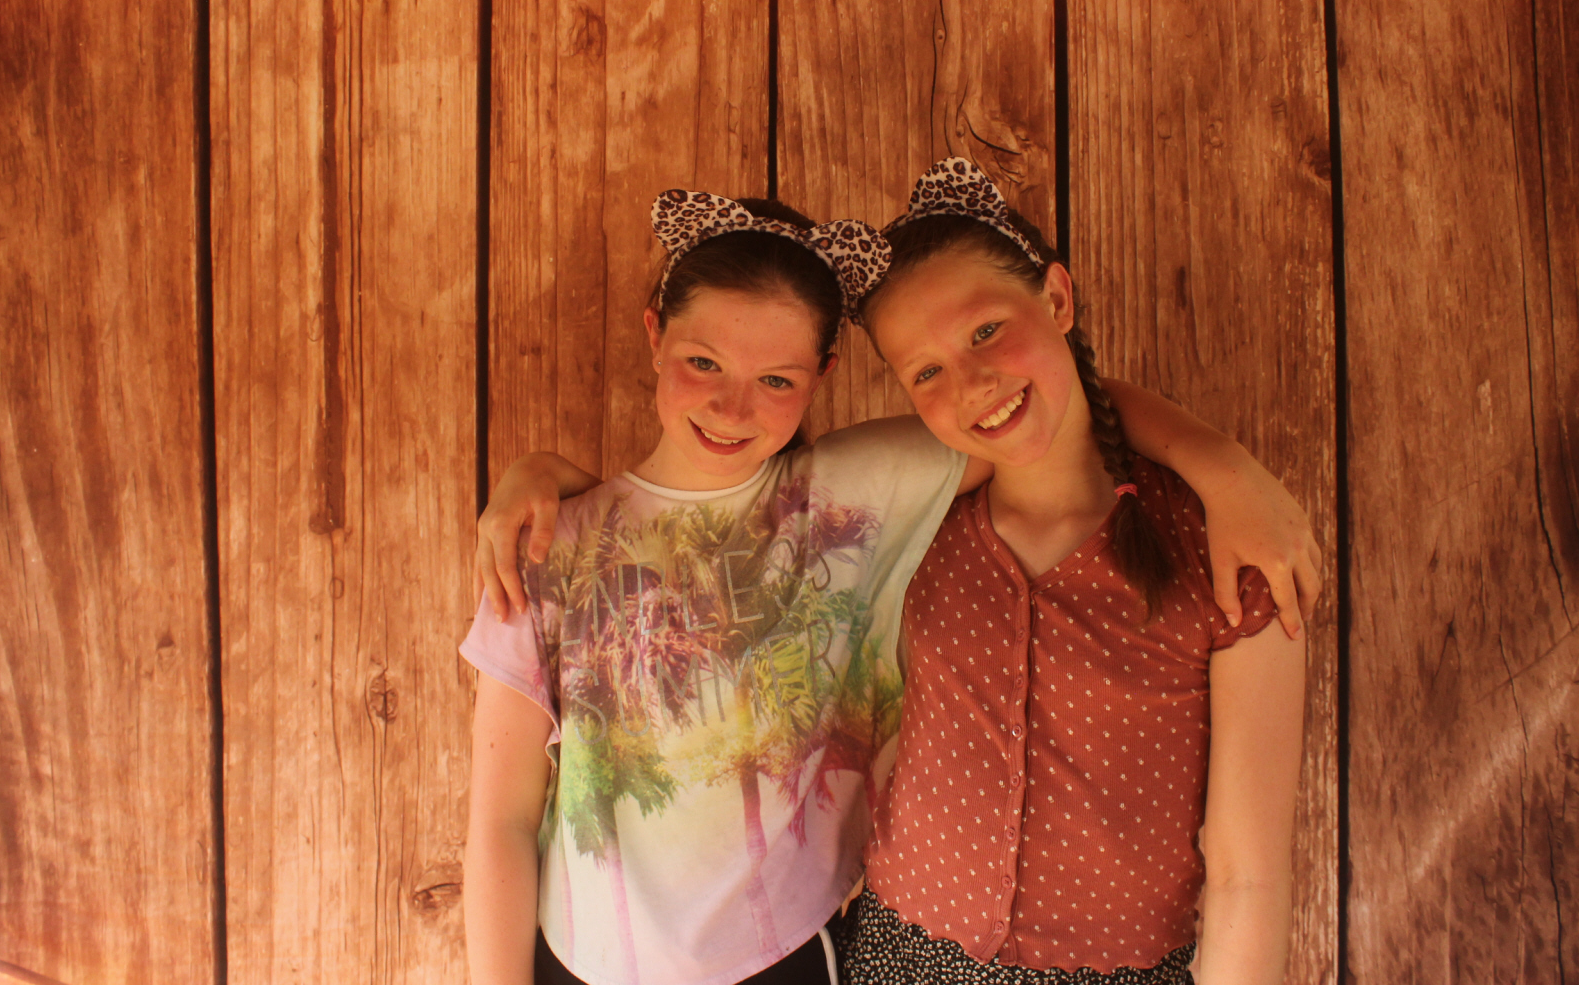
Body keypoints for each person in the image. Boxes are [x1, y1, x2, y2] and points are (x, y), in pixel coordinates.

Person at [465, 187, 1320, 985]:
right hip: (642, 959)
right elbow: (501, 821)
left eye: (776, 380)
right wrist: (538, 474)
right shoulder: (549, 545)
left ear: (822, 373)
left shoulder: (854, 502)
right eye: (703, 361)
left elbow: (1053, 411)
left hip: (796, 959)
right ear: (655, 334)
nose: (732, 406)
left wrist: (1226, 469)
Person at [839, 159, 1307, 984]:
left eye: (986, 331)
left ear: (1056, 299)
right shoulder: (914, 531)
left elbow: (1249, 876)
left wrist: (1224, 469)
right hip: (895, 953)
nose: (973, 383)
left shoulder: (1226, 550)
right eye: (926, 372)